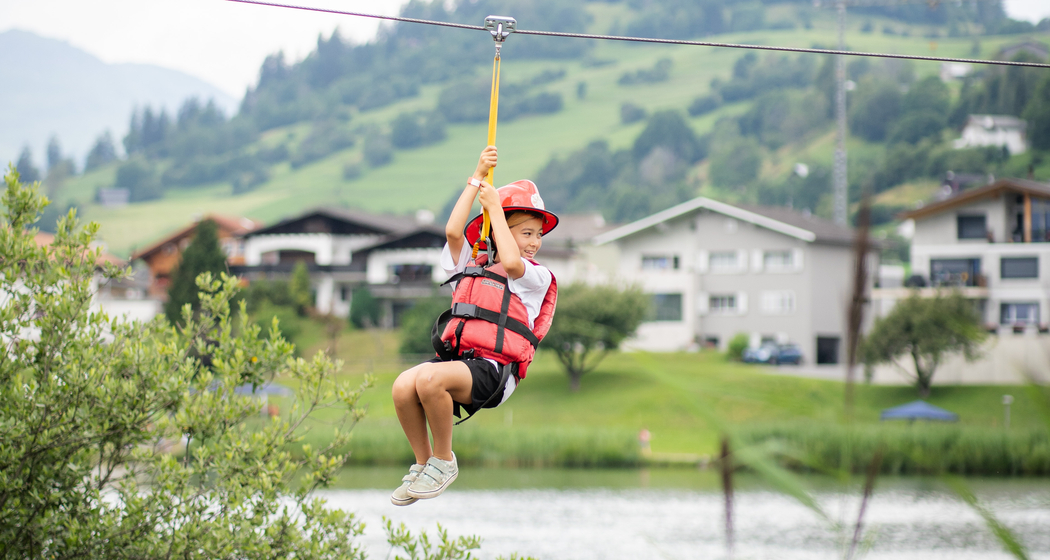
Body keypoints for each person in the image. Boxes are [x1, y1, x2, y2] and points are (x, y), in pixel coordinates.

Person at [389, 146, 559, 506]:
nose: (534, 242)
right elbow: (453, 232)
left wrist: (496, 207)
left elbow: (511, 263)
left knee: (429, 380)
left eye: (537, 235)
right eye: (525, 233)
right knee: (403, 386)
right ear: (498, 233)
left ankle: (445, 460)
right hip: (463, 362)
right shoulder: (472, 268)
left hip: (495, 373)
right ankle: (424, 465)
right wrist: (477, 176)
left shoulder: (534, 276)